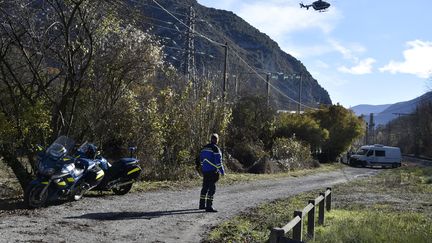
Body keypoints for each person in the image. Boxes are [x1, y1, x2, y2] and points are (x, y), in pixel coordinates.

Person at [196, 133, 225, 212]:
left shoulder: (204, 148)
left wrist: (202, 169)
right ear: (217, 140)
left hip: (205, 171)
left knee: (205, 187)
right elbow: (218, 162)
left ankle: (201, 205)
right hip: (213, 171)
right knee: (212, 189)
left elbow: (200, 160)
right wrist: (222, 171)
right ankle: (209, 206)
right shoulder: (215, 148)